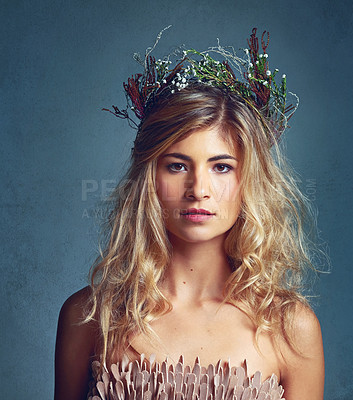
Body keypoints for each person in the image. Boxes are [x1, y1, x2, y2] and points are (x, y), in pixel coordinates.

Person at [55, 29, 324, 400]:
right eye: (178, 166)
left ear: (249, 180)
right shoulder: (88, 316)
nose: (199, 189)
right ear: (150, 177)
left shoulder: (289, 326)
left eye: (222, 167)